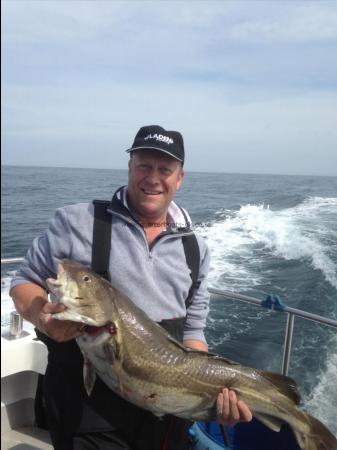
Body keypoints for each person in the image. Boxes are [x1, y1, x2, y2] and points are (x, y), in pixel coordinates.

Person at [10, 125, 252, 450]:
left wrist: (209, 398)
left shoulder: (197, 250)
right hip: (87, 415)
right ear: (129, 168)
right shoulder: (75, 222)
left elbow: (194, 334)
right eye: (143, 166)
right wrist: (44, 319)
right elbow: (24, 282)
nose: (153, 178)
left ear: (180, 178)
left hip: (166, 415)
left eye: (165, 169)